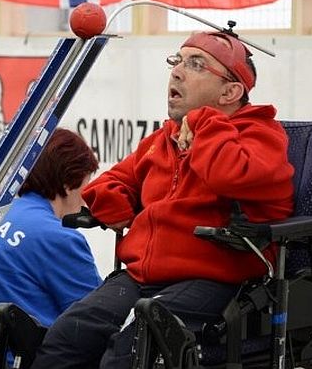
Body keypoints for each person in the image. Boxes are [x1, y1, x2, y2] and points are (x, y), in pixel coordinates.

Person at [30, 31, 295, 369]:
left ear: (230, 92)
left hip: (217, 280)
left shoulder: (261, 135)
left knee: (130, 350)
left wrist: (204, 123)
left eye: (196, 64)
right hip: (143, 276)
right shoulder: (163, 138)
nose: (177, 71)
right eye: (177, 60)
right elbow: (110, 182)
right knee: (68, 335)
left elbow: (228, 174)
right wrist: (119, 205)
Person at [0, 128, 103, 368]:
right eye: (86, 185)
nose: (86, 199)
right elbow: (99, 322)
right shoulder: (60, 238)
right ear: (67, 181)